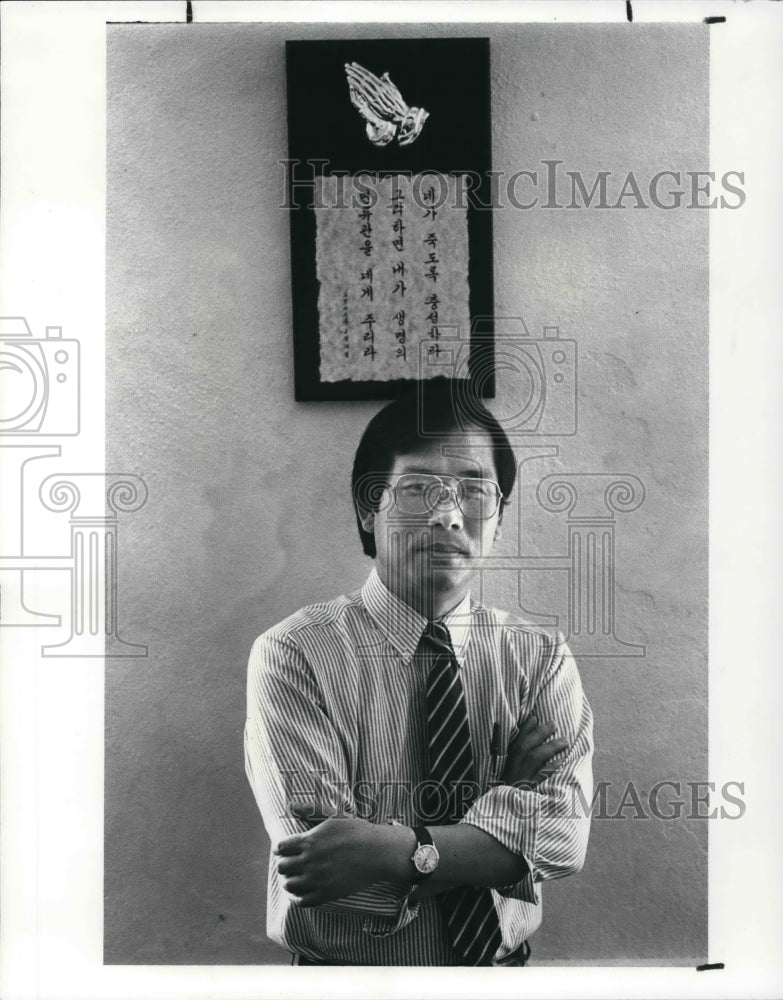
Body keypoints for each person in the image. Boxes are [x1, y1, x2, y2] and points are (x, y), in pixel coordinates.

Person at [244, 380, 593, 966]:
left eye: (475, 490)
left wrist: (390, 847)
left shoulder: (539, 656)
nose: (449, 515)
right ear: (367, 505)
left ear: (500, 517)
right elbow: (324, 870)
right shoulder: (294, 653)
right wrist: (499, 822)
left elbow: (564, 838)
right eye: (417, 490)